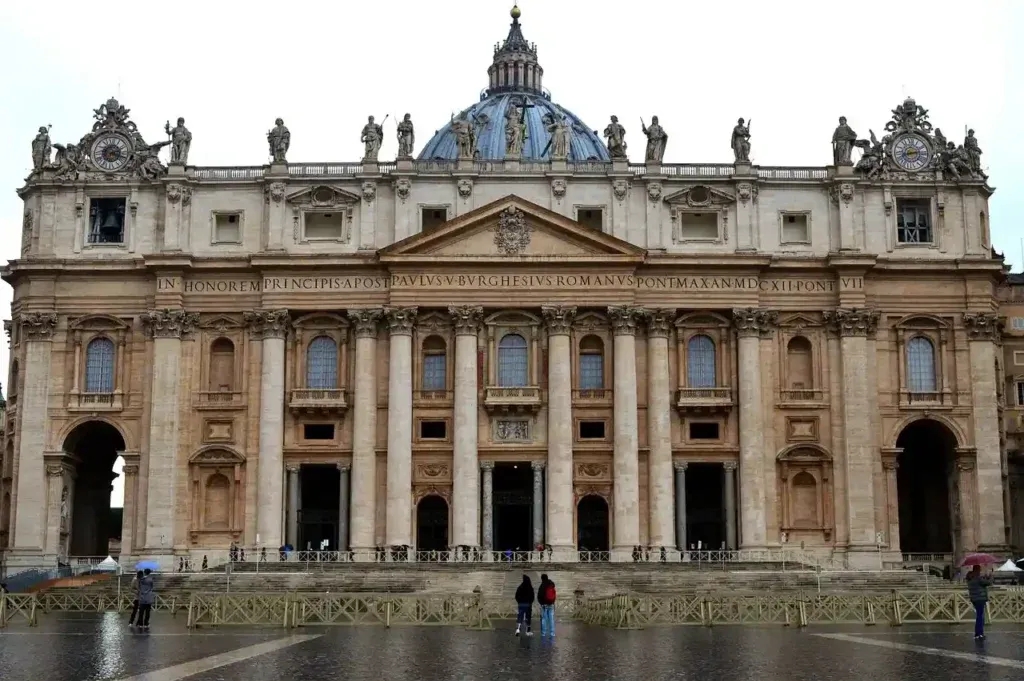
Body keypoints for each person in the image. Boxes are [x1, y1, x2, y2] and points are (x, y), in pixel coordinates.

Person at [967, 564, 992, 640]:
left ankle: (978, 633)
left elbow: (981, 583)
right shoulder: (978, 578)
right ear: (977, 570)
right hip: (980, 598)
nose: (980, 571)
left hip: (974, 599)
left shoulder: (970, 578)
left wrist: (985, 578)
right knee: (980, 617)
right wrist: (991, 576)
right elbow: (988, 583)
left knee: (979, 616)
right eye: (980, 569)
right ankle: (980, 634)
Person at [537, 573, 557, 638]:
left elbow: (539, 596)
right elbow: (554, 594)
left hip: (544, 605)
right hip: (551, 604)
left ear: (542, 578)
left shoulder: (542, 585)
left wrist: (541, 603)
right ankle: (552, 633)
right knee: (551, 619)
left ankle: (543, 633)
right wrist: (553, 602)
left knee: (544, 619)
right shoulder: (551, 584)